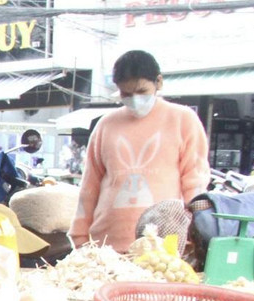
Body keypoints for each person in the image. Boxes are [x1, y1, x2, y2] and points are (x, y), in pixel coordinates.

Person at [69, 50, 210, 253]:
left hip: (161, 246)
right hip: (106, 246)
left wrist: (196, 234)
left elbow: (194, 182)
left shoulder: (183, 119)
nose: (135, 100)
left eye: (142, 91)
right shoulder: (106, 125)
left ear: (158, 82)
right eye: (126, 94)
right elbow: (90, 185)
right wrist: (80, 235)